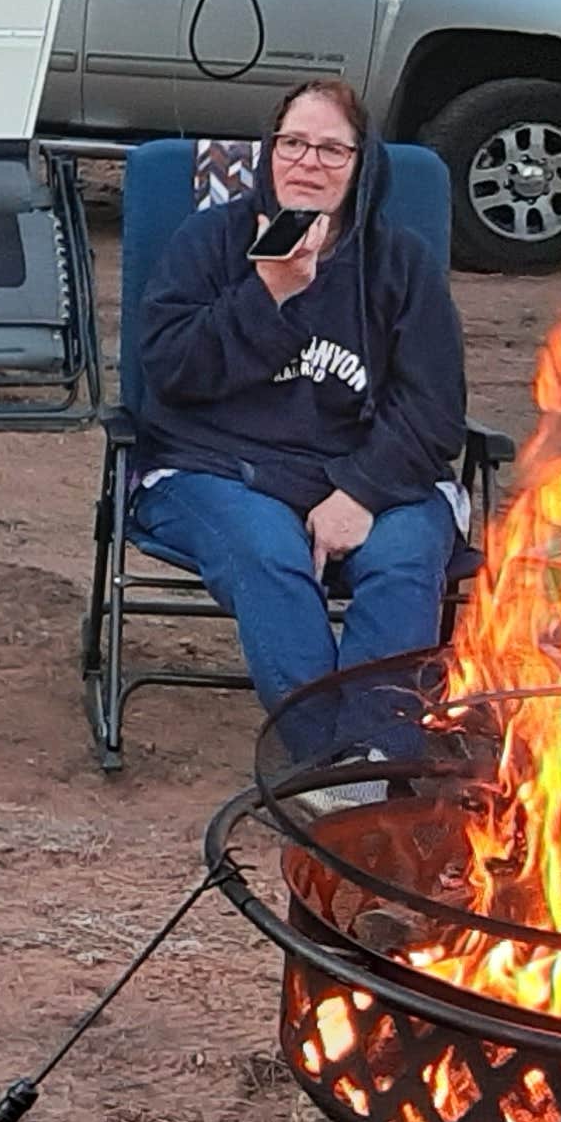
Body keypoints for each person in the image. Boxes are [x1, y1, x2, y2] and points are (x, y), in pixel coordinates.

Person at [129, 76, 466, 754]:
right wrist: (268, 292)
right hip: (216, 471)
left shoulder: (400, 265)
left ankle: (368, 763)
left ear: (361, 165)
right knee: (268, 552)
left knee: (406, 554)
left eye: (331, 150)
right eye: (293, 144)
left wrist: (361, 494)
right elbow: (167, 373)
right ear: (268, 152)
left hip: (365, 475)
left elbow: (434, 411)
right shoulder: (211, 243)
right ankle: (335, 767)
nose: (308, 162)